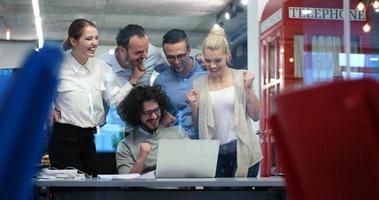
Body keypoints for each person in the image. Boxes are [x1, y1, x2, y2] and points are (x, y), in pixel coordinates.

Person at [49, 19, 132, 176]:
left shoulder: (101, 68)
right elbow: (39, 94)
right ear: (73, 41)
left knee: (90, 187)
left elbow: (116, 99)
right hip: (64, 137)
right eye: (88, 39)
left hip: (89, 137)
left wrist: (133, 81)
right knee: (69, 191)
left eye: (96, 38)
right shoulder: (57, 66)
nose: (94, 43)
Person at [186, 26, 262, 177]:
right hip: (213, 155)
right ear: (202, 57)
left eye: (218, 60)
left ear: (227, 55)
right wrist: (194, 106)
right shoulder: (199, 84)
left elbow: (256, 115)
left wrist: (247, 90)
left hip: (242, 151)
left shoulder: (241, 77)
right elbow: (198, 125)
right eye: (208, 61)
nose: (212, 66)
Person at [101, 24, 171, 130]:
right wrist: (134, 80)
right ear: (122, 50)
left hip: (152, 127)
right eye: (138, 52)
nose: (145, 55)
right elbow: (114, 102)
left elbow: (172, 69)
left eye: (146, 49)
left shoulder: (152, 53)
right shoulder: (104, 66)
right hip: (123, 129)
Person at [116, 85, 186, 174]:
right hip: (147, 188)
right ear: (136, 114)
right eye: (147, 113)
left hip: (180, 187)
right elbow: (126, 185)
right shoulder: (126, 146)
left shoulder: (178, 133)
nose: (154, 116)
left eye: (157, 110)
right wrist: (141, 159)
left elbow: (194, 167)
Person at [153, 29, 207, 139]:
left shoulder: (206, 71)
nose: (176, 62)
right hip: (176, 142)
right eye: (171, 57)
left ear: (189, 50)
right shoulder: (160, 81)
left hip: (209, 140)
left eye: (181, 55)